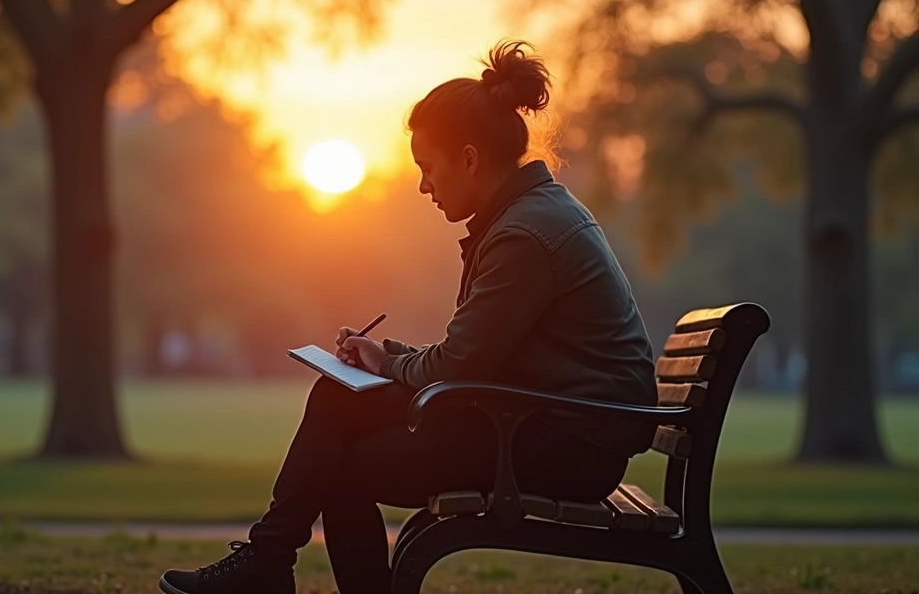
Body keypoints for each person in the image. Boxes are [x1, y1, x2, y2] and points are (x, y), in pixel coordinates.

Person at [158, 40, 658, 594]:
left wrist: (390, 363)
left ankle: (268, 561)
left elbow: (460, 364)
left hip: (563, 445)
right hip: (543, 423)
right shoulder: (530, 215)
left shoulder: (523, 235)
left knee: (339, 464)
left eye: (428, 168)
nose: (424, 186)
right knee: (336, 400)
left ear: (468, 158)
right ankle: (267, 560)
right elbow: (472, 357)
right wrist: (387, 357)